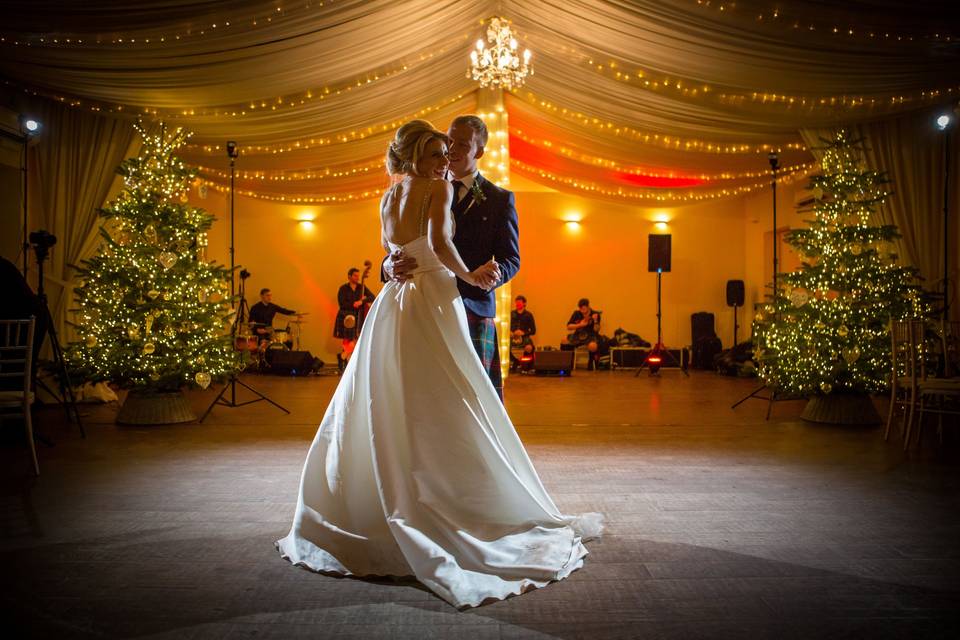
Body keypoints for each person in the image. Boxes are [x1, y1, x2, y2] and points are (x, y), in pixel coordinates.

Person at [277, 120, 602, 609]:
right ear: (423, 154)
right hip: (433, 296)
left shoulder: (482, 196)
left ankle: (464, 492)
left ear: (479, 150)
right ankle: (430, 498)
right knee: (416, 398)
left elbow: (509, 257)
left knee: (464, 400)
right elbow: (422, 247)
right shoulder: (435, 187)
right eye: (440, 149)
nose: (447, 156)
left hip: (436, 305)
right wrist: (409, 267)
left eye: (456, 148)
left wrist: (483, 280)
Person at [382, 114, 519, 400]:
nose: (452, 149)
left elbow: (511, 258)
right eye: (449, 141)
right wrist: (388, 265)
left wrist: (491, 275)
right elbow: (395, 247)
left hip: (473, 305)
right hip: (421, 303)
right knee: (423, 394)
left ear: (479, 152)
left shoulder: (499, 199)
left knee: (475, 397)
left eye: (463, 144)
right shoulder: (416, 187)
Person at [334, 267, 375, 372]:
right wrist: (355, 303)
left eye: (358, 276)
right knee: (348, 340)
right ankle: (346, 362)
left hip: (358, 317)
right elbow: (342, 303)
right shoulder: (343, 288)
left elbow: (372, 297)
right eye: (355, 276)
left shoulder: (361, 287)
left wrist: (362, 301)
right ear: (349, 276)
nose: (357, 278)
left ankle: (342, 357)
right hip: (346, 316)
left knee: (356, 339)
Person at [562, 298, 602, 369]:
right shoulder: (576, 313)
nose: (582, 311)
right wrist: (580, 325)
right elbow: (569, 326)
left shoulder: (595, 314)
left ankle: (591, 362)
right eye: (581, 310)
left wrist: (595, 321)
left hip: (590, 335)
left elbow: (596, 330)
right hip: (578, 335)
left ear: (588, 306)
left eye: (584, 309)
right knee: (564, 340)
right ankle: (567, 363)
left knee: (593, 346)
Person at [509, 294, 536, 371]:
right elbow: (507, 326)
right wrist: (510, 332)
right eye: (516, 302)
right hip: (512, 337)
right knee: (505, 347)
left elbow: (533, 331)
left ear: (524, 304)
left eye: (519, 302)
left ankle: (527, 366)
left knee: (529, 348)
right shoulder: (511, 314)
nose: (517, 304)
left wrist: (523, 333)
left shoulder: (529, 315)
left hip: (524, 337)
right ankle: (515, 361)